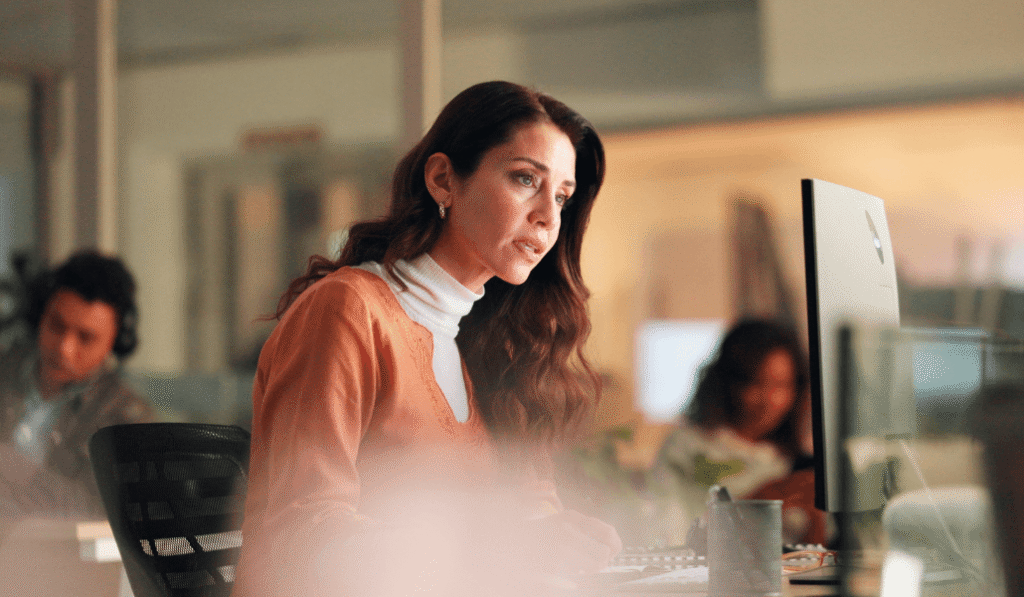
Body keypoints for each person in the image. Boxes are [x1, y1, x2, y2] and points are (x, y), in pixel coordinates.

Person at [232, 81, 622, 597]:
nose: (548, 217)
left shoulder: (484, 342)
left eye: (563, 197)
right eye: (526, 179)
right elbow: (302, 529)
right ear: (443, 180)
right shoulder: (349, 309)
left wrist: (557, 539)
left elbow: (525, 514)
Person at [0, 250, 153, 525]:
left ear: (113, 342)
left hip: (53, 559)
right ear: (40, 315)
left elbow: (103, 512)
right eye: (56, 326)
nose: (64, 349)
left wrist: (19, 471)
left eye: (86, 337)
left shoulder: (125, 420)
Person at [650, 318, 827, 546]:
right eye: (756, 383)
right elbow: (669, 537)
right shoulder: (686, 447)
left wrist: (816, 518)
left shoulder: (797, 462)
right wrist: (759, 501)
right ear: (729, 382)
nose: (769, 400)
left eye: (782, 385)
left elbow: (816, 556)